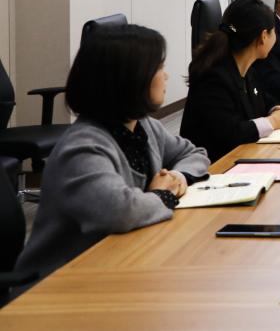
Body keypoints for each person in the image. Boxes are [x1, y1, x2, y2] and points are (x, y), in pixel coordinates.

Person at [14, 25, 209, 286]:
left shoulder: (143, 125)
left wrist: (177, 176)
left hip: (119, 263)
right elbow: (121, 211)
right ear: (131, 78)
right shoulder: (83, 147)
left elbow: (194, 153)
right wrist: (164, 194)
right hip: (59, 286)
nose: (166, 75)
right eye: (159, 68)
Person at [181, 0, 280, 162]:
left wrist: (276, 109)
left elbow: (262, 100)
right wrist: (272, 122)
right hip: (215, 166)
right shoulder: (214, 77)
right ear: (263, 36)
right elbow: (229, 133)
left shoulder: (247, 68)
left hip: (243, 157)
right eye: (274, 32)